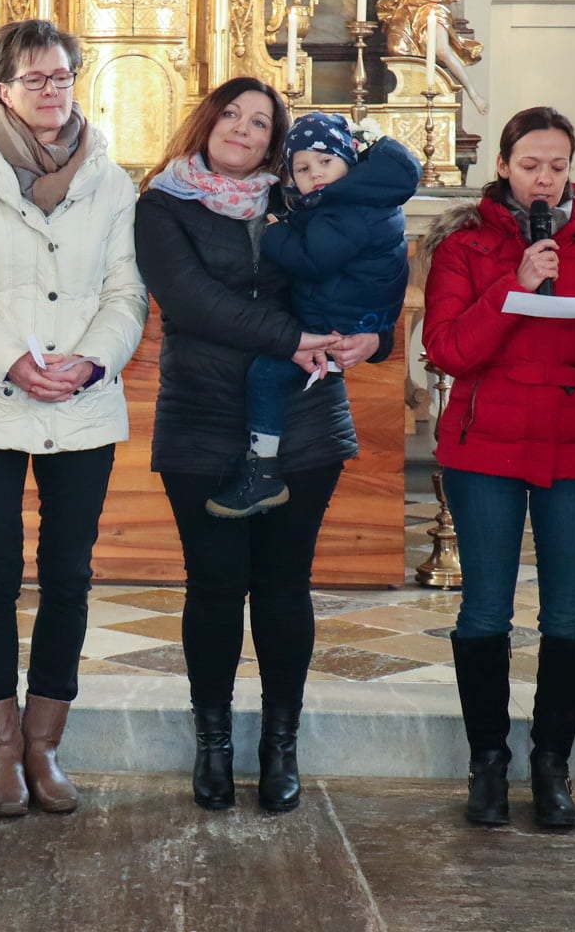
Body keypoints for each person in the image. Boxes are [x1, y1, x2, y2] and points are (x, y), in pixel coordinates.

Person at [134, 77, 390, 814]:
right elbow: (192, 302)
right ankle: (213, 743)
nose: (243, 129)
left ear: (275, 141)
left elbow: (365, 267)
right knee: (214, 585)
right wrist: (293, 335)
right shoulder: (162, 204)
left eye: (260, 122)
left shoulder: (306, 194)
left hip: (304, 415)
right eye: (232, 114)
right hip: (203, 416)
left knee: (284, 584)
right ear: (207, 121)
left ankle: (281, 744)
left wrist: (374, 335)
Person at [0, 19, 148, 818]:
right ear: (2, 89)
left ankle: (45, 745)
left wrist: (92, 360)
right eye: (35, 79)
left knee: (69, 574)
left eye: (62, 77)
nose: (52, 91)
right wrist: (10, 360)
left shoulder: (111, 181)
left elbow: (127, 292)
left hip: (82, 403)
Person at [421, 106, 575, 829]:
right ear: (503, 166)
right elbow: (448, 350)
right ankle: (488, 764)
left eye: (557, 166)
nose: (544, 179)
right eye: (530, 166)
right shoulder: (464, 244)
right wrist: (514, 283)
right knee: (485, 610)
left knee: (570, 615)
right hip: (486, 448)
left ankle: (553, 765)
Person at [207, 112, 419, 518]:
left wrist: (273, 231)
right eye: (303, 168)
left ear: (349, 161)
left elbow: (312, 260)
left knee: (266, 376)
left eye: (325, 161)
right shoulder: (362, 198)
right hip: (350, 318)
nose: (315, 173)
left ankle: (263, 470)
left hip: (334, 325)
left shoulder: (347, 208)